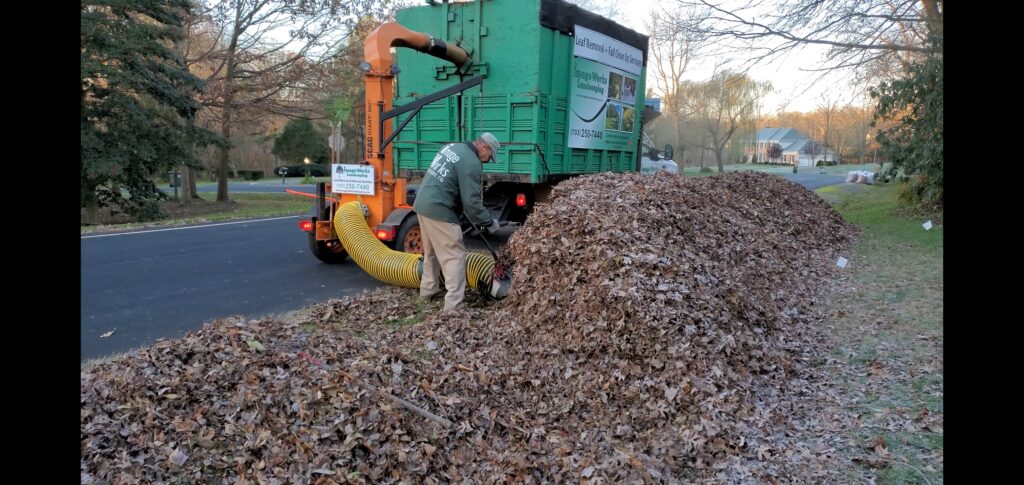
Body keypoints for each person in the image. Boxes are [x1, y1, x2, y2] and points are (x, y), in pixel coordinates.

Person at [413, 133, 502, 312]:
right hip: (440, 210)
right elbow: (472, 203)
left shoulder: (452, 147)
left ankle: (427, 292)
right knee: (455, 257)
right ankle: (454, 306)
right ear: (484, 147)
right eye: (490, 156)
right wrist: (488, 221)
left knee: (432, 253)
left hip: (423, 205)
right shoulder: (471, 162)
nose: (487, 161)